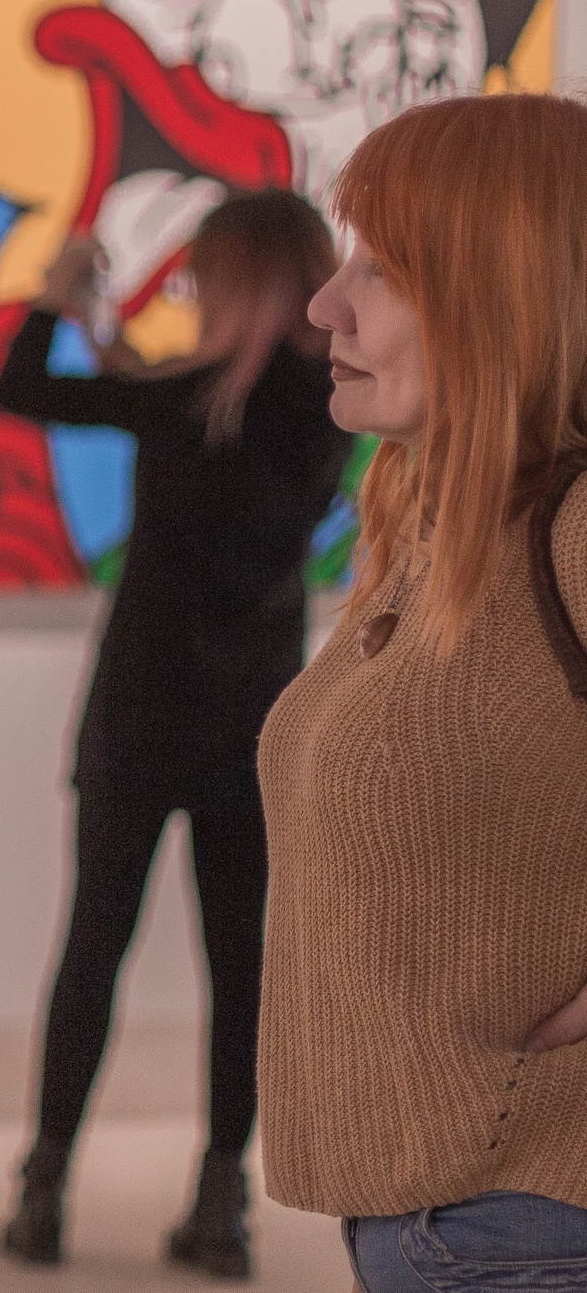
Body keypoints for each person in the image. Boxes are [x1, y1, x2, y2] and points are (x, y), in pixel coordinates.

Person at [257, 93, 587, 1292]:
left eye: (383, 271)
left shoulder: (574, 526)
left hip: (533, 1218)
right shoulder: (436, 526)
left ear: (506, 295)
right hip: (440, 1218)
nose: (324, 307)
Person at [0, 190, 351, 1278]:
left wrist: (56, 298)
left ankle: (43, 1192)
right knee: (240, 967)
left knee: (91, 948)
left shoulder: (181, 398)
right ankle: (220, 1206)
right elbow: (185, 393)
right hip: (254, 720)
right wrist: (109, 335)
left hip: (141, 708)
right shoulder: (332, 405)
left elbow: (23, 388)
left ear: (238, 277)